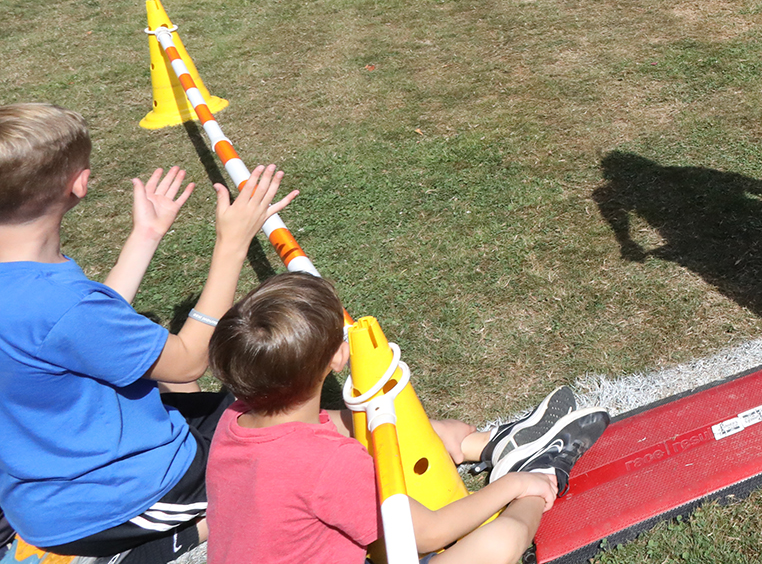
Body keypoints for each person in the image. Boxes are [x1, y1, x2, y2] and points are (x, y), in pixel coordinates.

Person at [0, 103, 297, 560]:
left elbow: (78, 332)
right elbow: (189, 361)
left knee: (267, 415)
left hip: (48, 488)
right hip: (118, 495)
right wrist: (233, 243)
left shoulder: (31, 285)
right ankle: (165, 545)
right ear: (80, 184)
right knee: (296, 451)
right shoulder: (60, 303)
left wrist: (146, 235)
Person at [204, 273, 609, 564]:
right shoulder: (330, 465)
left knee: (412, 434)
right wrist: (515, 486)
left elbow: (337, 426)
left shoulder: (233, 422)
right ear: (339, 358)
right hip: (423, 529)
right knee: (499, 543)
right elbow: (428, 533)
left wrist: (440, 434)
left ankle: (489, 443)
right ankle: (537, 473)